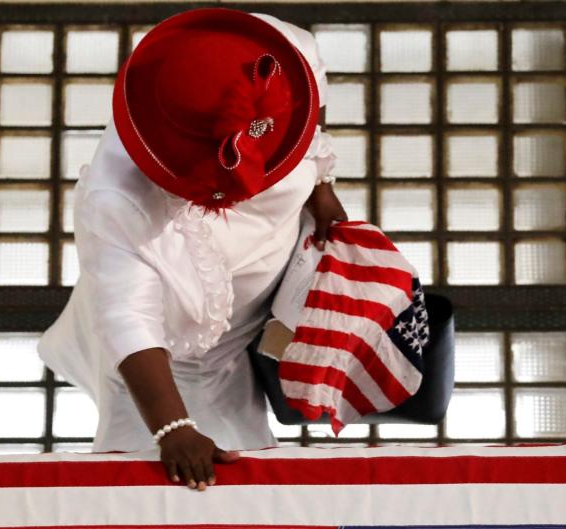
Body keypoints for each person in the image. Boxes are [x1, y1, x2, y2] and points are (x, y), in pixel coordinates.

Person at [37, 8, 345, 491]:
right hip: (170, 352)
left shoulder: (279, 55)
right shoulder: (116, 195)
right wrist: (172, 427)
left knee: (251, 471)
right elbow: (128, 318)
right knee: (152, 483)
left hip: (255, 312)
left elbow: (316, 104)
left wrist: (322, 184)